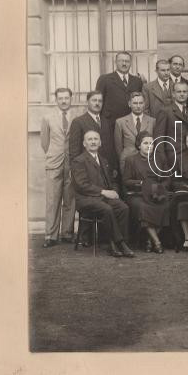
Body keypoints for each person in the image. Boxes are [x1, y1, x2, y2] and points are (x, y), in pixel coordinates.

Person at [70, 130, 134, 258]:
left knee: (123, 208)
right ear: (84, 143)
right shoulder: (79, 161)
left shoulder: (103, 160)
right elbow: (82, 185)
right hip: (86, 199)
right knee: (107, 209)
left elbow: (112, 181)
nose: (93, 142)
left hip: (102, 197)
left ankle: (118, 243)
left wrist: (114, 191)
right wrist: (104, 192)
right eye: (90, 139)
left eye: (96, 139)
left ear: (100, 143)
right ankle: (118, 244)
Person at [122, 131, 171, 254]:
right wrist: (142, 183)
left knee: (166, 205)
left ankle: (149, 240)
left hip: (157, 192)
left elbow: (167, 178)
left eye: (151, 143)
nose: (149, 145)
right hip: (138, 194)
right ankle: (157, 242)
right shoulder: (131, 160)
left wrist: (160, 187)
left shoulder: (160, 159)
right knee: (143, 207)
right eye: (145, 143)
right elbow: (126, 181)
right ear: (139, 145)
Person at [40, 87, 76, 247]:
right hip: (54, 162)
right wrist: (53, 154)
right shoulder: (48, 118)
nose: (63, 101)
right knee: (52, 200)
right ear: (56, 100)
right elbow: (44, 142)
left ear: (71, 99)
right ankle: (51, 235)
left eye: (66, 98)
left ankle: (67, 233)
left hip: (71, 163)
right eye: (60, 98)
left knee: (70, 199)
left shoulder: (77, 117)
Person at [68, 90, 118, 176]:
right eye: (94, 100)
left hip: (106, 169)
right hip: (87, 169)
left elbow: (111, 147)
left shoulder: (107, 121)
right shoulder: (78, 122)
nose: (97, 103)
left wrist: (114, 167)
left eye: (100, 101)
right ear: (87, 102)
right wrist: (76, 169)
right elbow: (74, 150)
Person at [95, 51, 143, 125]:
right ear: (115, 62)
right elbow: (97, 101)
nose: (124, 64)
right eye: (121, 61)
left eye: (127, 61)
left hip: (130, 124)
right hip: (110, 123)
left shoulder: (137, 81)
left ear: (130, 63)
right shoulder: (104, 79)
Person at [152, 80, 188, 161]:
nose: (182, 94)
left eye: (184, 91)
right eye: (179, 92)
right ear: (173, 94)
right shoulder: (165, 111)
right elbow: (159, 138)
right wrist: (162, 159)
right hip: (172, 156)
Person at [114, 92, 155, 173]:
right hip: (127, 161)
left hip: (147, 161)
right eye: (135, 103)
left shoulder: (152, 121)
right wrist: (123, 158)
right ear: (129, 104)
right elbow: (118, 146)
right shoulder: (120, 122)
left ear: (144, 104)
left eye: (141, 103)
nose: (138, 106)